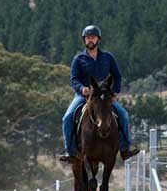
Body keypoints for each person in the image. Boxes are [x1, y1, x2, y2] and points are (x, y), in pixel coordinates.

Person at [59, 25, 140, 163]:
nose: (90, 40)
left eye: (93, 37)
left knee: (123, 115)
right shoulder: (78, 59)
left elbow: (117, 76)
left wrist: (114, 92)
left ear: (98, 39)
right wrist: (82, 89)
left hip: (104, 96)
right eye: (88, 38)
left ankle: (125, 149)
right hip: (84, 96)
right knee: (67, 118)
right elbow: (73, 79)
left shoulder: (107, 58)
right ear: (84, 40)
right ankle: (70, 151)